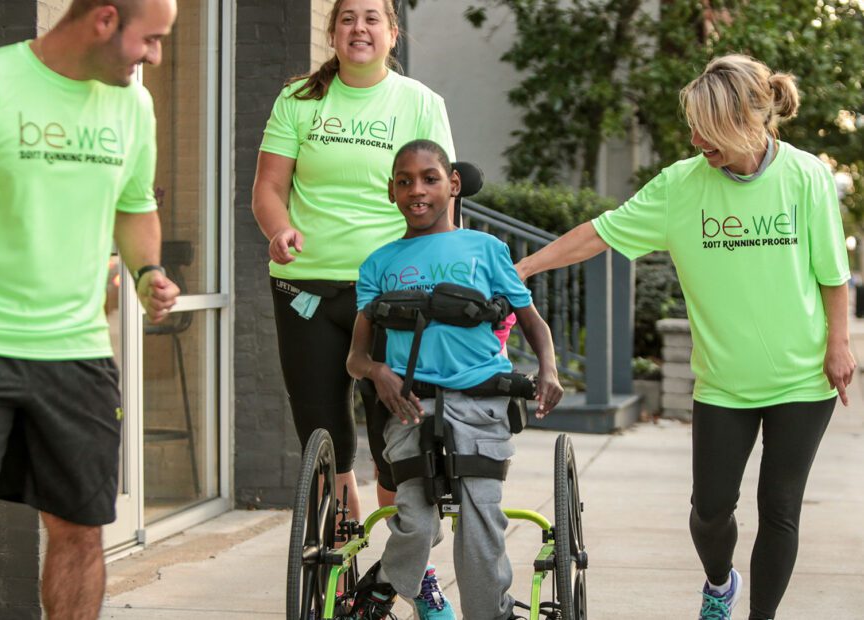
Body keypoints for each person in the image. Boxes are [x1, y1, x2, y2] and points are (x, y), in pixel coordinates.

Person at [516, 54, 855, 620]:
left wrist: (838, 344)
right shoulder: (680, 187)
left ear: (748, 119)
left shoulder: (807, 176)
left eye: (708, 127)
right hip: (723, 382)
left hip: (802, 379)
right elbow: (597, 234)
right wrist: (524, 270)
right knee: (710, 510)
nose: (697, 139)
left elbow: (832, 274)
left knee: (780, 511)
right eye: (694, 126)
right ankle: (721, 583)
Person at [0, 1, 179, 618]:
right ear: (103, 20)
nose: (155, 56)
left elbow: (135, 206)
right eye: (149, 40)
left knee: (79, 528)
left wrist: (148, 270)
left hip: (75, 349)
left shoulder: (133, 105)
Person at [251, 0, 457, 614]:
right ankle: (342, 555)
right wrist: (279, 229)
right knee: (324, 437)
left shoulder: (421, 101)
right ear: (332, 30)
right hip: (307, 288)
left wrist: (450, 273)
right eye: (347, 18)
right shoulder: (299, 98)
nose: (359, 28)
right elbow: (267, 186)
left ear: (393, 33)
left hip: (397, 292)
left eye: (372, 17)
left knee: (397, 437)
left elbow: (446, 198)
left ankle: (407, 568)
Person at [346, 140, 564, 620]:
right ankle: (383, 584)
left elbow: (533, 323)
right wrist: (378, 371)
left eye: (429, 178)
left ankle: (492, 613)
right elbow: (355, 358)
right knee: (417, 524)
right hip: (411, 408)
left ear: (453, 185)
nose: (416, 190)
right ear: (391, 192)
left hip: (482, 406)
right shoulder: (378, 264)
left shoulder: (487, 249)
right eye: (404, 181)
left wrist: (547, 368)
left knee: (481, 524)